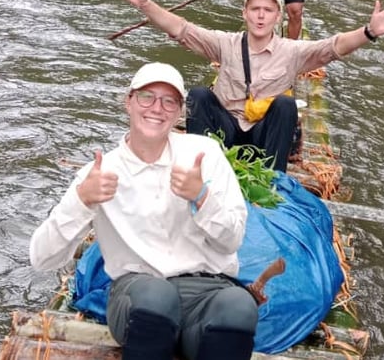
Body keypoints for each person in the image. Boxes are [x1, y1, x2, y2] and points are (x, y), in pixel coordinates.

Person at [29, 62, 258, 360]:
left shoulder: (204, 156)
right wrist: (82, 201)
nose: (156, 108)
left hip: (205, 291)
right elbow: (42, 258)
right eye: (146, 97)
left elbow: (232, 241)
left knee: (239, 307)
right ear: (129, 102)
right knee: (156, 297)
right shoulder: (100, 174)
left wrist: (202, 198)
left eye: (168, 101)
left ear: (179, 112)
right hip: (137, 295)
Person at [112, 0, 384, 174]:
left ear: (278, 16)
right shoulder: (225, 43)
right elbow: (181, 29)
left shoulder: (292, 51)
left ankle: (273, 179)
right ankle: (200, 170)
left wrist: (369, 31)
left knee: (284, 104)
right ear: (244, 14)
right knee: (201, 95)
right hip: (225, 130)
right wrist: (145, 4)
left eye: (267, 11)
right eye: (254, 9)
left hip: (262, 138)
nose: (260, 15)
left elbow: (333, 47)